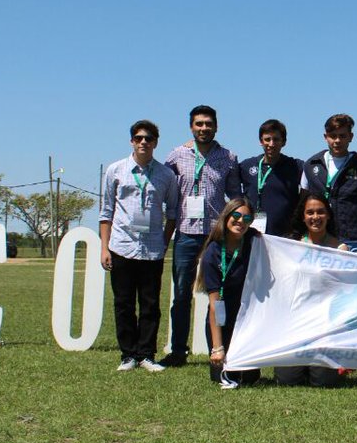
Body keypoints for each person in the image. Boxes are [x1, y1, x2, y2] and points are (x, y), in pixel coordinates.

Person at [160, 105, 243, 368]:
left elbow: (235, 197)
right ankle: (178, 351)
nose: (204, 128)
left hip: (216, 236)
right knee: (181, 294)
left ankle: (218, 349)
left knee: (218, 294)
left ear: (216, 126)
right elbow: (166, 192)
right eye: (199, 124)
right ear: (191, 127)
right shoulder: (177, 155)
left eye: (208, 124)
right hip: (186, 233)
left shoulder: (228, 157)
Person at [99, 120, 180, 373]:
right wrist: (104, 248)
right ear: (131, 141)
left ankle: (146, 355)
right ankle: (128, 355)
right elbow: (106, 212)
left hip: (152, 249)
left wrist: (164, 241)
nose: (143, 142)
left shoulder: (166, 175)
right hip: (121, 246)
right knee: (123, 303)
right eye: (138, 138)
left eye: (149, 138)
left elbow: (173, 212)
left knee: (150, 304)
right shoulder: (115, 170)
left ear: (156, 142)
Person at [274, 194, 347, 387]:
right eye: (310, 212)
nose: (316, 217)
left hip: (326, 325)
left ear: (328, 215)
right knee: (287, 380)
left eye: (321, 212)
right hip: (297, 322)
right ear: (303, 216)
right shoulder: (292, 246)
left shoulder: (340, 249)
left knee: (324, 381)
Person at [198, 196, 263, 389]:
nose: (241, 221)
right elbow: (214, 305)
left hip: (246, 321)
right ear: (226, 216)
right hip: (222, 320)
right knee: (224, 377)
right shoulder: (213, 252)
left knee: (250, 379)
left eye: (247, 218)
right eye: (236, 216)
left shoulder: (253, 242)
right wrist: (217, 348)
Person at [302, 114, 357, 254]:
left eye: (342, 136)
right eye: (333, 136)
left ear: (351, 137)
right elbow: (303, 199)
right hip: (320, 240)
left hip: (355, 241)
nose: (337, 140)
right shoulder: (310, 165)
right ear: (325, 137)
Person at [239, 118, 303, 239]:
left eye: (276, 139)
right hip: (251, 234)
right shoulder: (246, 166)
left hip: (284, 237)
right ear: (261, 141)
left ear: (284, 142)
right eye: (267, 139)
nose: (271, 144)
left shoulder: (296, 166)